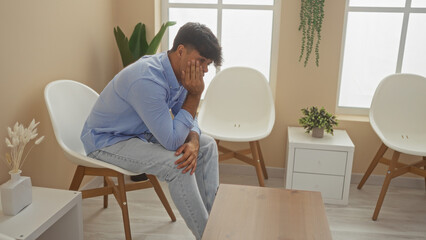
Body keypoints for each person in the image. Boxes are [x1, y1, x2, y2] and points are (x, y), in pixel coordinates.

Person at [80, 22, 222, 239]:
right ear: (181, 51)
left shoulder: (179, 72)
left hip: (140, 134)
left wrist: (193, 140)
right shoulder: (147, 79)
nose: (203, 70)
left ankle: (214, 222)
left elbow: (186, 119)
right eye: (202, 61)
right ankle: (208, 236)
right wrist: (195, 95)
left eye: (208, 64)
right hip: (108, 140)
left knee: (207, 145)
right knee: (177, 165)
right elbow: (173, 141)